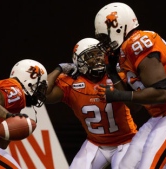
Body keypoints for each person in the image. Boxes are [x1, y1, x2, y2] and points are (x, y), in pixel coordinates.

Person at [94, 2, 166, 169]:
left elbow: (160, 94)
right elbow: (135, 106)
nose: (104, 43)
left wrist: (116, 95)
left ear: (119, 27)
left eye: (105, 37)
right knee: (124, 166)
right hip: (160, 115)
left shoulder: (137, 42)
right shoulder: (125, 52)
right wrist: (112, 73)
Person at [46, 37, 140, 169]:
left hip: (126, 141)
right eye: (90, 55)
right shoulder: (71, 82)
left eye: (99, 54)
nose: (97, 59)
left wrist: (117, 85)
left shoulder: (117, 76)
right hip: (96, 143)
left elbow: (136, 106)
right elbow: (45, 95)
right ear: (78, 61)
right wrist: (59, 69)